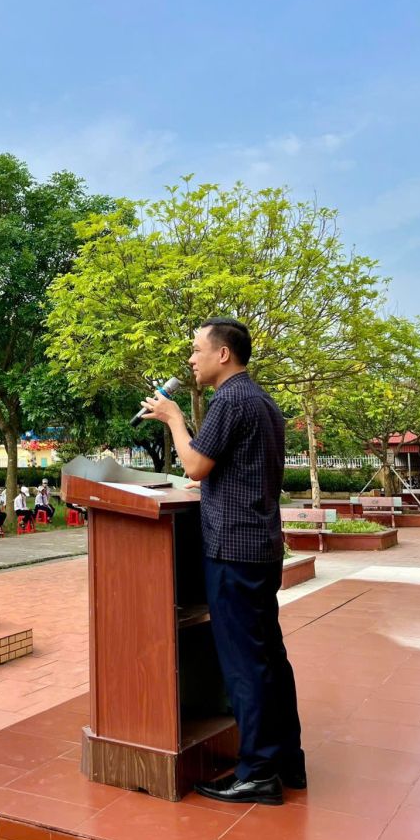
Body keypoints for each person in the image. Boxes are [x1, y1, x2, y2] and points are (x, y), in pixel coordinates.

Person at [141, 316, 303, 807]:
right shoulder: (261, 400)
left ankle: (257, 773)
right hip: (259, 545)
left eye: (197, 349)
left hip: (233, 549)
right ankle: (286, 760)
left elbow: (194, 464)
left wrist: (173, 418)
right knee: (268, 656)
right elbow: (227, 466)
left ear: (223, 354)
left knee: (244, 664)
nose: (192, 359)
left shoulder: (230, 400)